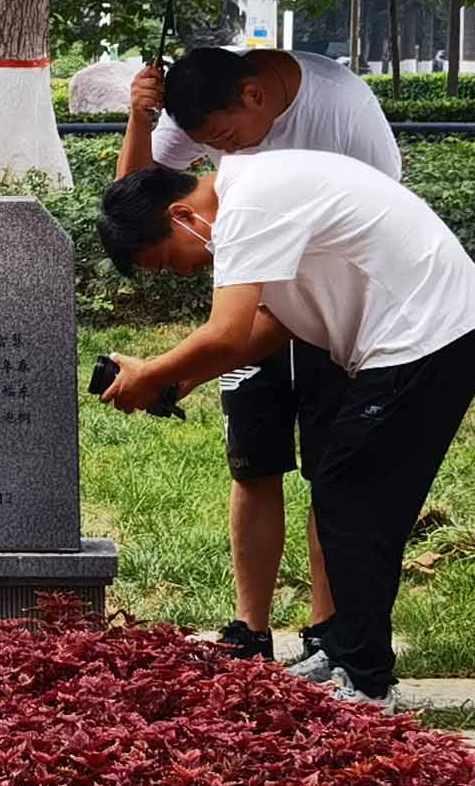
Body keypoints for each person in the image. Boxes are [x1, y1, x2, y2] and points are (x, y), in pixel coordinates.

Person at [94, 152, 475, 704]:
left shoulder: (245, 207)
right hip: (425, 336)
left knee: (353, 499)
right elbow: (275, 323)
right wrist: (182, 380)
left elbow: (227, 333)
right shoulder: (251, 195)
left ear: (182, 215)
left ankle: (365, 678)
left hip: (426, 336)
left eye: (169, 262)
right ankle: (345, 650)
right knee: (347, 495)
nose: (185, 273)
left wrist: (152, 373)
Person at [115, 46, 398, 664]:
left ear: (255, 95)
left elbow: (379, 220)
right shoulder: (199, 99)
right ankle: (251, 629)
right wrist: (140, 118)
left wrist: (177, 367)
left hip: (331, 309)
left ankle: (327, 630)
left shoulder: (341, 108)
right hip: (249, 302)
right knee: (252, 462)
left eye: (225, 139)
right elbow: (136, 206)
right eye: (211, 147)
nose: (227, 154)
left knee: (331, 473)